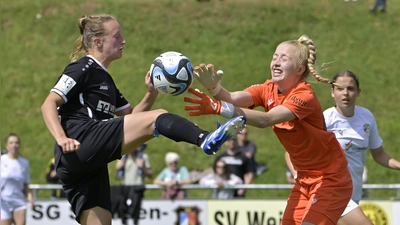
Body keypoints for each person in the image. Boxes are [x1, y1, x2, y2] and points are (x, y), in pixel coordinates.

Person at [40, 14, 246, 225]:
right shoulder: (81, 68)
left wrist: (151, 93)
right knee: (158, 116)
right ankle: (205, 138)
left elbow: (132, 119)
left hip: (86, 161)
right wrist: (61, 137)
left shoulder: (106, 80)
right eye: (117, 36)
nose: (123, 41)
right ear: (98, 42)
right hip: (80, 140)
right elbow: (48, 104)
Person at [184, 35, 353, 225]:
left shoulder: (304, 95)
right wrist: (213, 87)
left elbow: (266, 119)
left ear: (300, 69)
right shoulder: (268, 88)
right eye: (275, 57)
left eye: (284, 59)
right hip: (304, 178)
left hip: (330, 178)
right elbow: (232, 98)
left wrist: (217, 107)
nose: (276, 63)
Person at [323, 70, 400, 225]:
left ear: (358, 92)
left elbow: (379, 154)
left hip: (354, 193)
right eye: (340, 88)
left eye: (350, 88)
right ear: (332, 92)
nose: (345, 93)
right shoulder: (325, 119)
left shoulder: (366, 117)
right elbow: (295, 152)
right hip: (332, 191)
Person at [1, 133, 34, 225]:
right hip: (3, 202)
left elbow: (26, 184)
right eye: (11, 143)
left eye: (16, 143)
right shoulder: (1, 161)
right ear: (6, 145)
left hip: (19, 202)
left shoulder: (24, 163)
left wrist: (31, 198)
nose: (14, 145)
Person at [114, 143, 151, 225]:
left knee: (135, 209)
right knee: (122, 208)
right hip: (125, 186)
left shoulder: (143, 158)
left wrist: (142, 167)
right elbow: (117, 175)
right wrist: (118, 168)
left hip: (138, 186)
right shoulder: (123, 158)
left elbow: (150, 175)